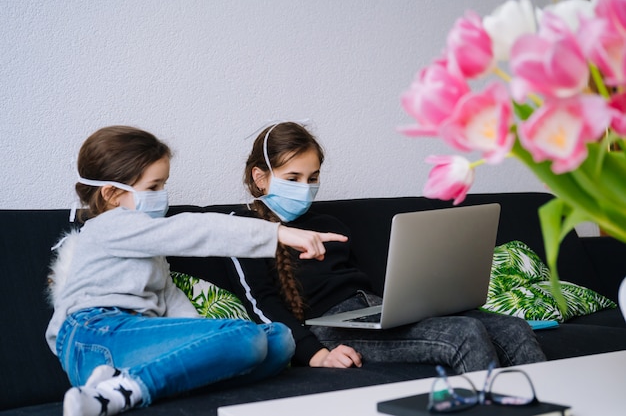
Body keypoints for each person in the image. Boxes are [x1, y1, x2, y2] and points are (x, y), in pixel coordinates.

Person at [45, 125, 348, 416]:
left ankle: (122, 382)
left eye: (163, 185)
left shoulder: (149, 248)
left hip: (139, 344)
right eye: (153, 187)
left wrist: (207, 339)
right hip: (95, 337)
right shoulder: (107, 227)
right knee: (244, 337)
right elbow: (193, 229)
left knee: (279, 340)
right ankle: (128, 388)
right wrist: (279, 234)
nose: (162, 194)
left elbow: (172, 302)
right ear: (111, 194)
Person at [224, 121, 547, 371]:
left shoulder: (330, 224)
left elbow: (370, 283)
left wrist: (418, 303)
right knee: (462, 333)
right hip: (326, 327)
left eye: (313, 178)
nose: (305, 189)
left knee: (514, 328)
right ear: (260, 177)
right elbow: (260, 304)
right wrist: (315, 353)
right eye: (293, 178)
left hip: (371, 308)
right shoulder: (242, 229)